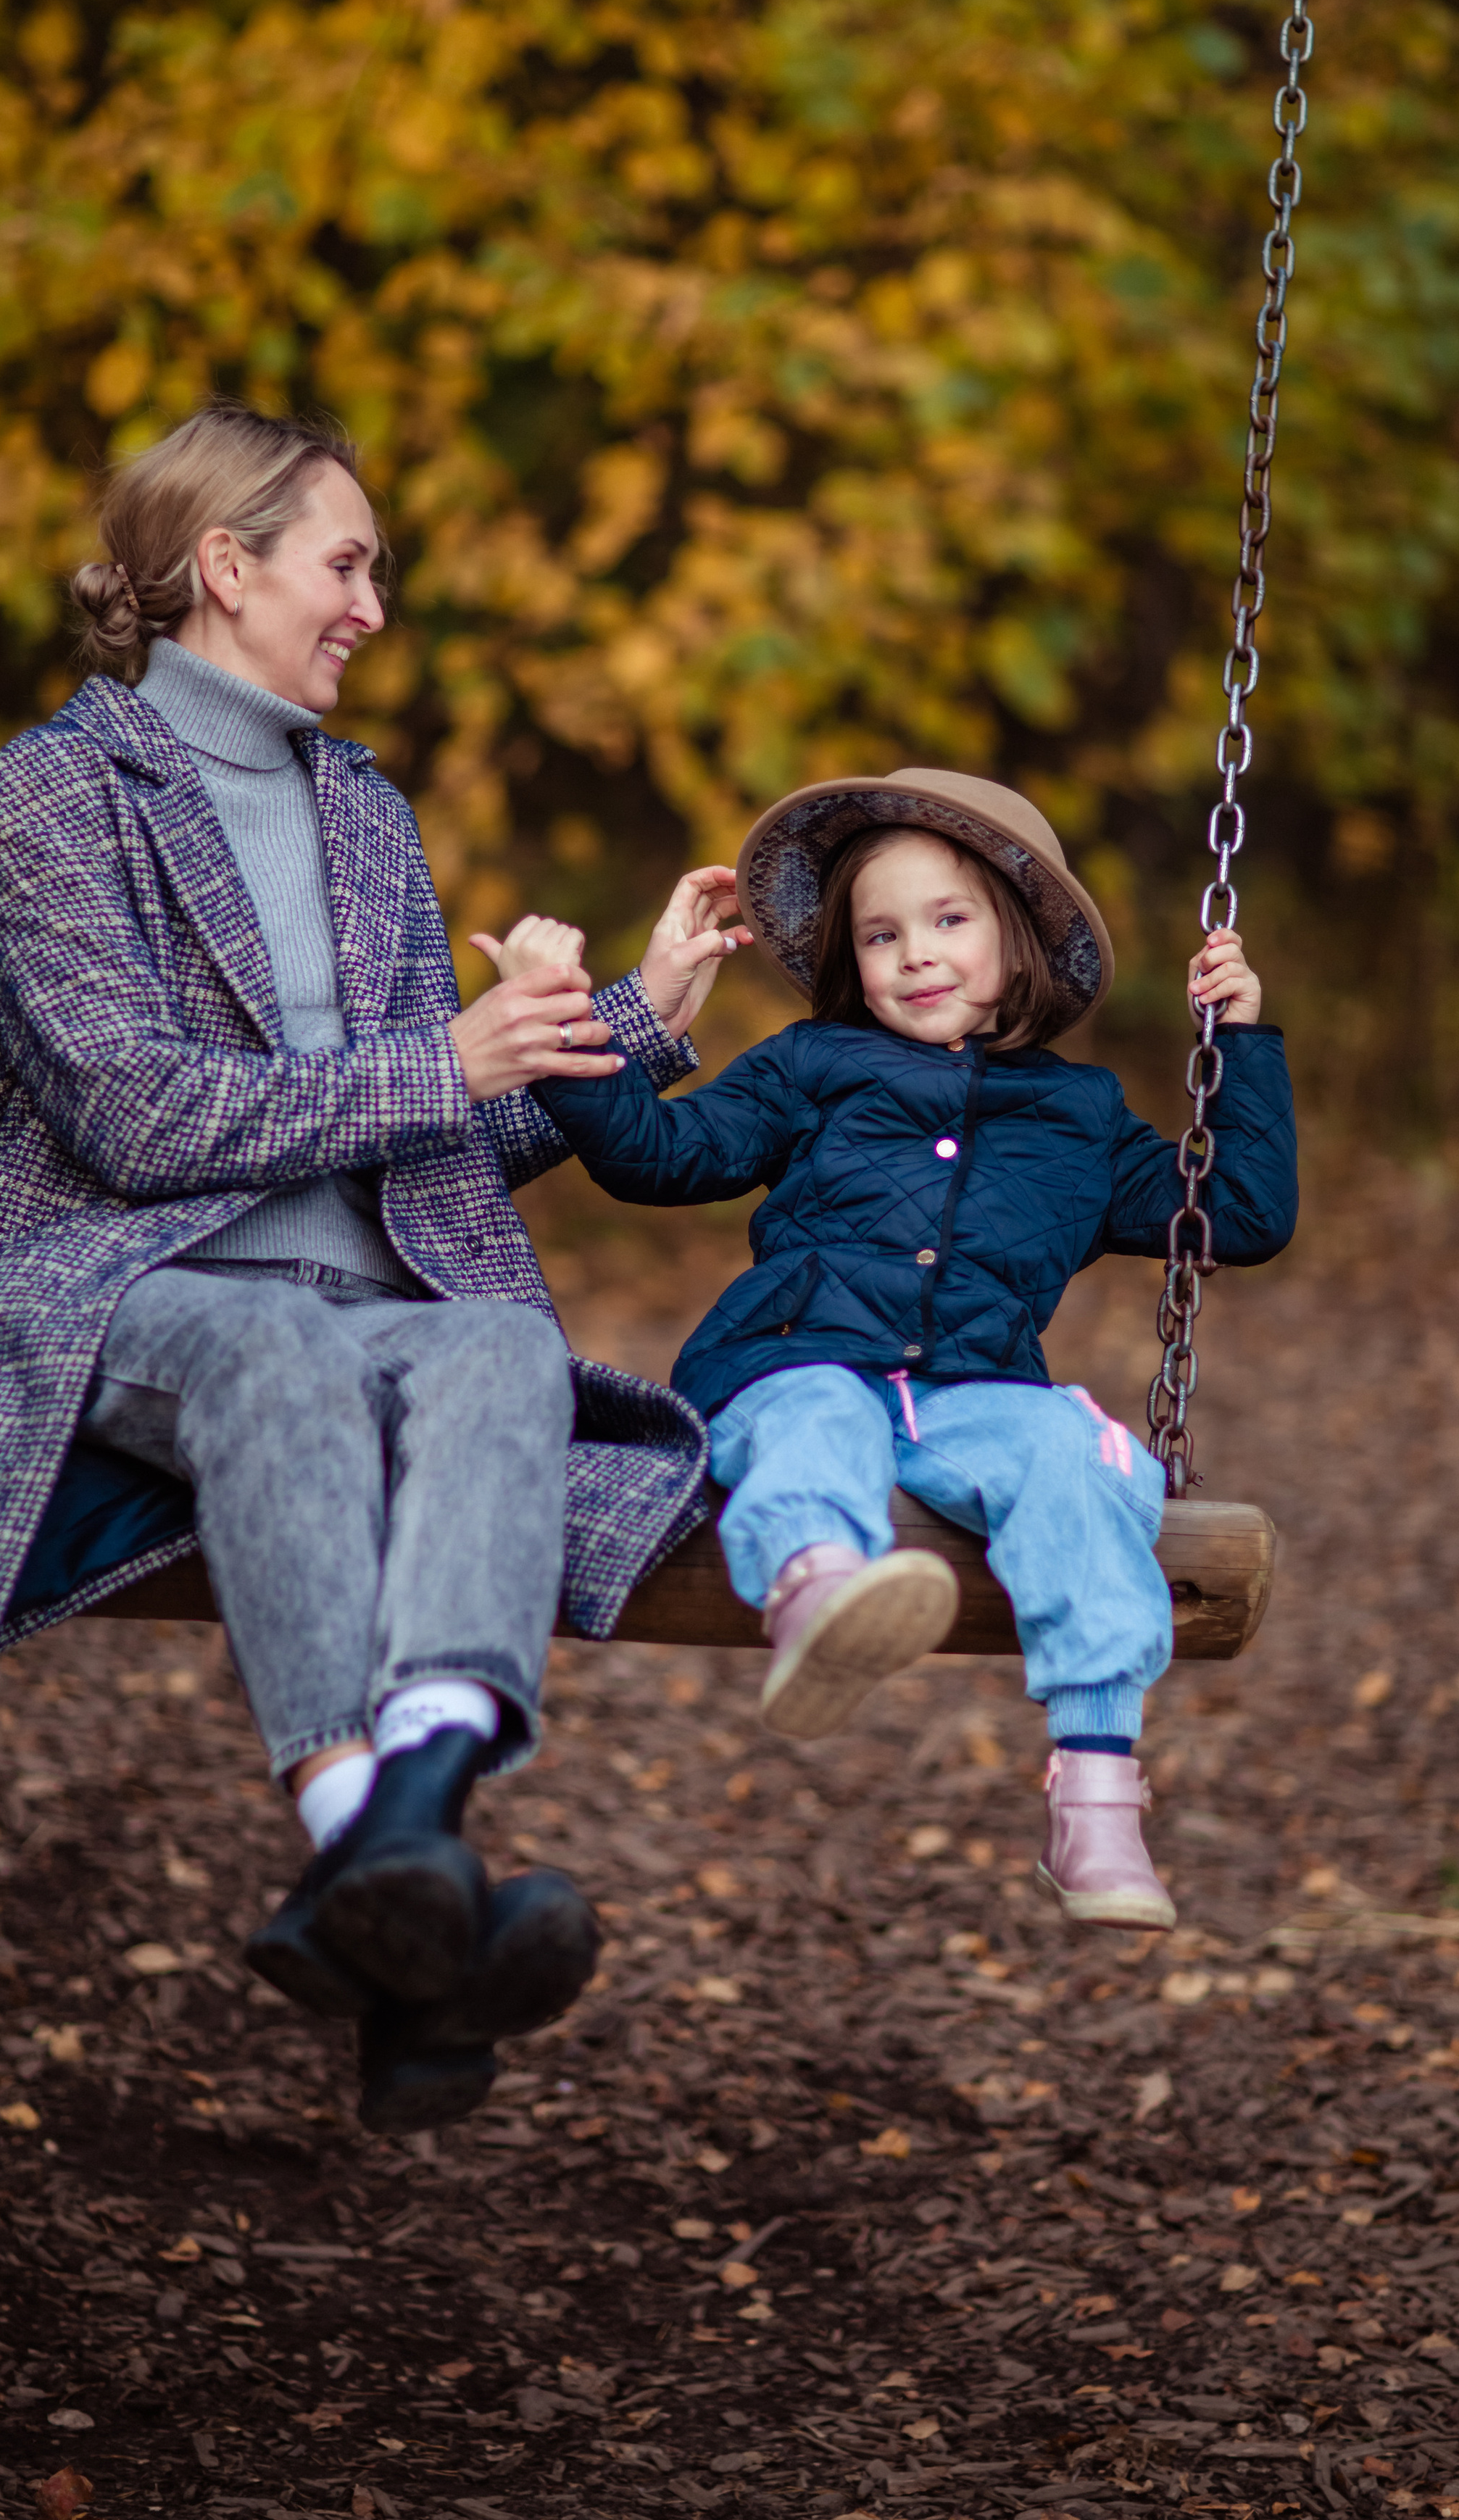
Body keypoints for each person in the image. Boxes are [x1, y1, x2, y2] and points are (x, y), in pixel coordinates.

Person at [0, 402, 744, 2129]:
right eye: (347, 563)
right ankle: (372, 1847)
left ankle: (392, 1880)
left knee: (499, 1355)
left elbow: (413, 1150)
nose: (373, 605)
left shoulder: (366, 815)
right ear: (224, 569)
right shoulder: (57, 792)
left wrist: (635, 1027)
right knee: (277, 1356)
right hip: (122, 1291)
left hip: (364, 1302)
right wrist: (445, 1061)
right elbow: (133, 1114)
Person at [517, 770, 1297, 1930]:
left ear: (1018, 939)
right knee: (819, 1416)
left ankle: (1094, 1805)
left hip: (974, 1394)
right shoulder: (809, 1068)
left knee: (1069, 1452)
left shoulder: (1079, 1120)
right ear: (853, 957)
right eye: (882, 934)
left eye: (949, 920)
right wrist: (573, 1021)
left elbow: (1236, 1214)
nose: (915, 955)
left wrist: (1236, 1044)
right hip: (791, 1360)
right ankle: (821, 1593)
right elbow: (656, 1155)